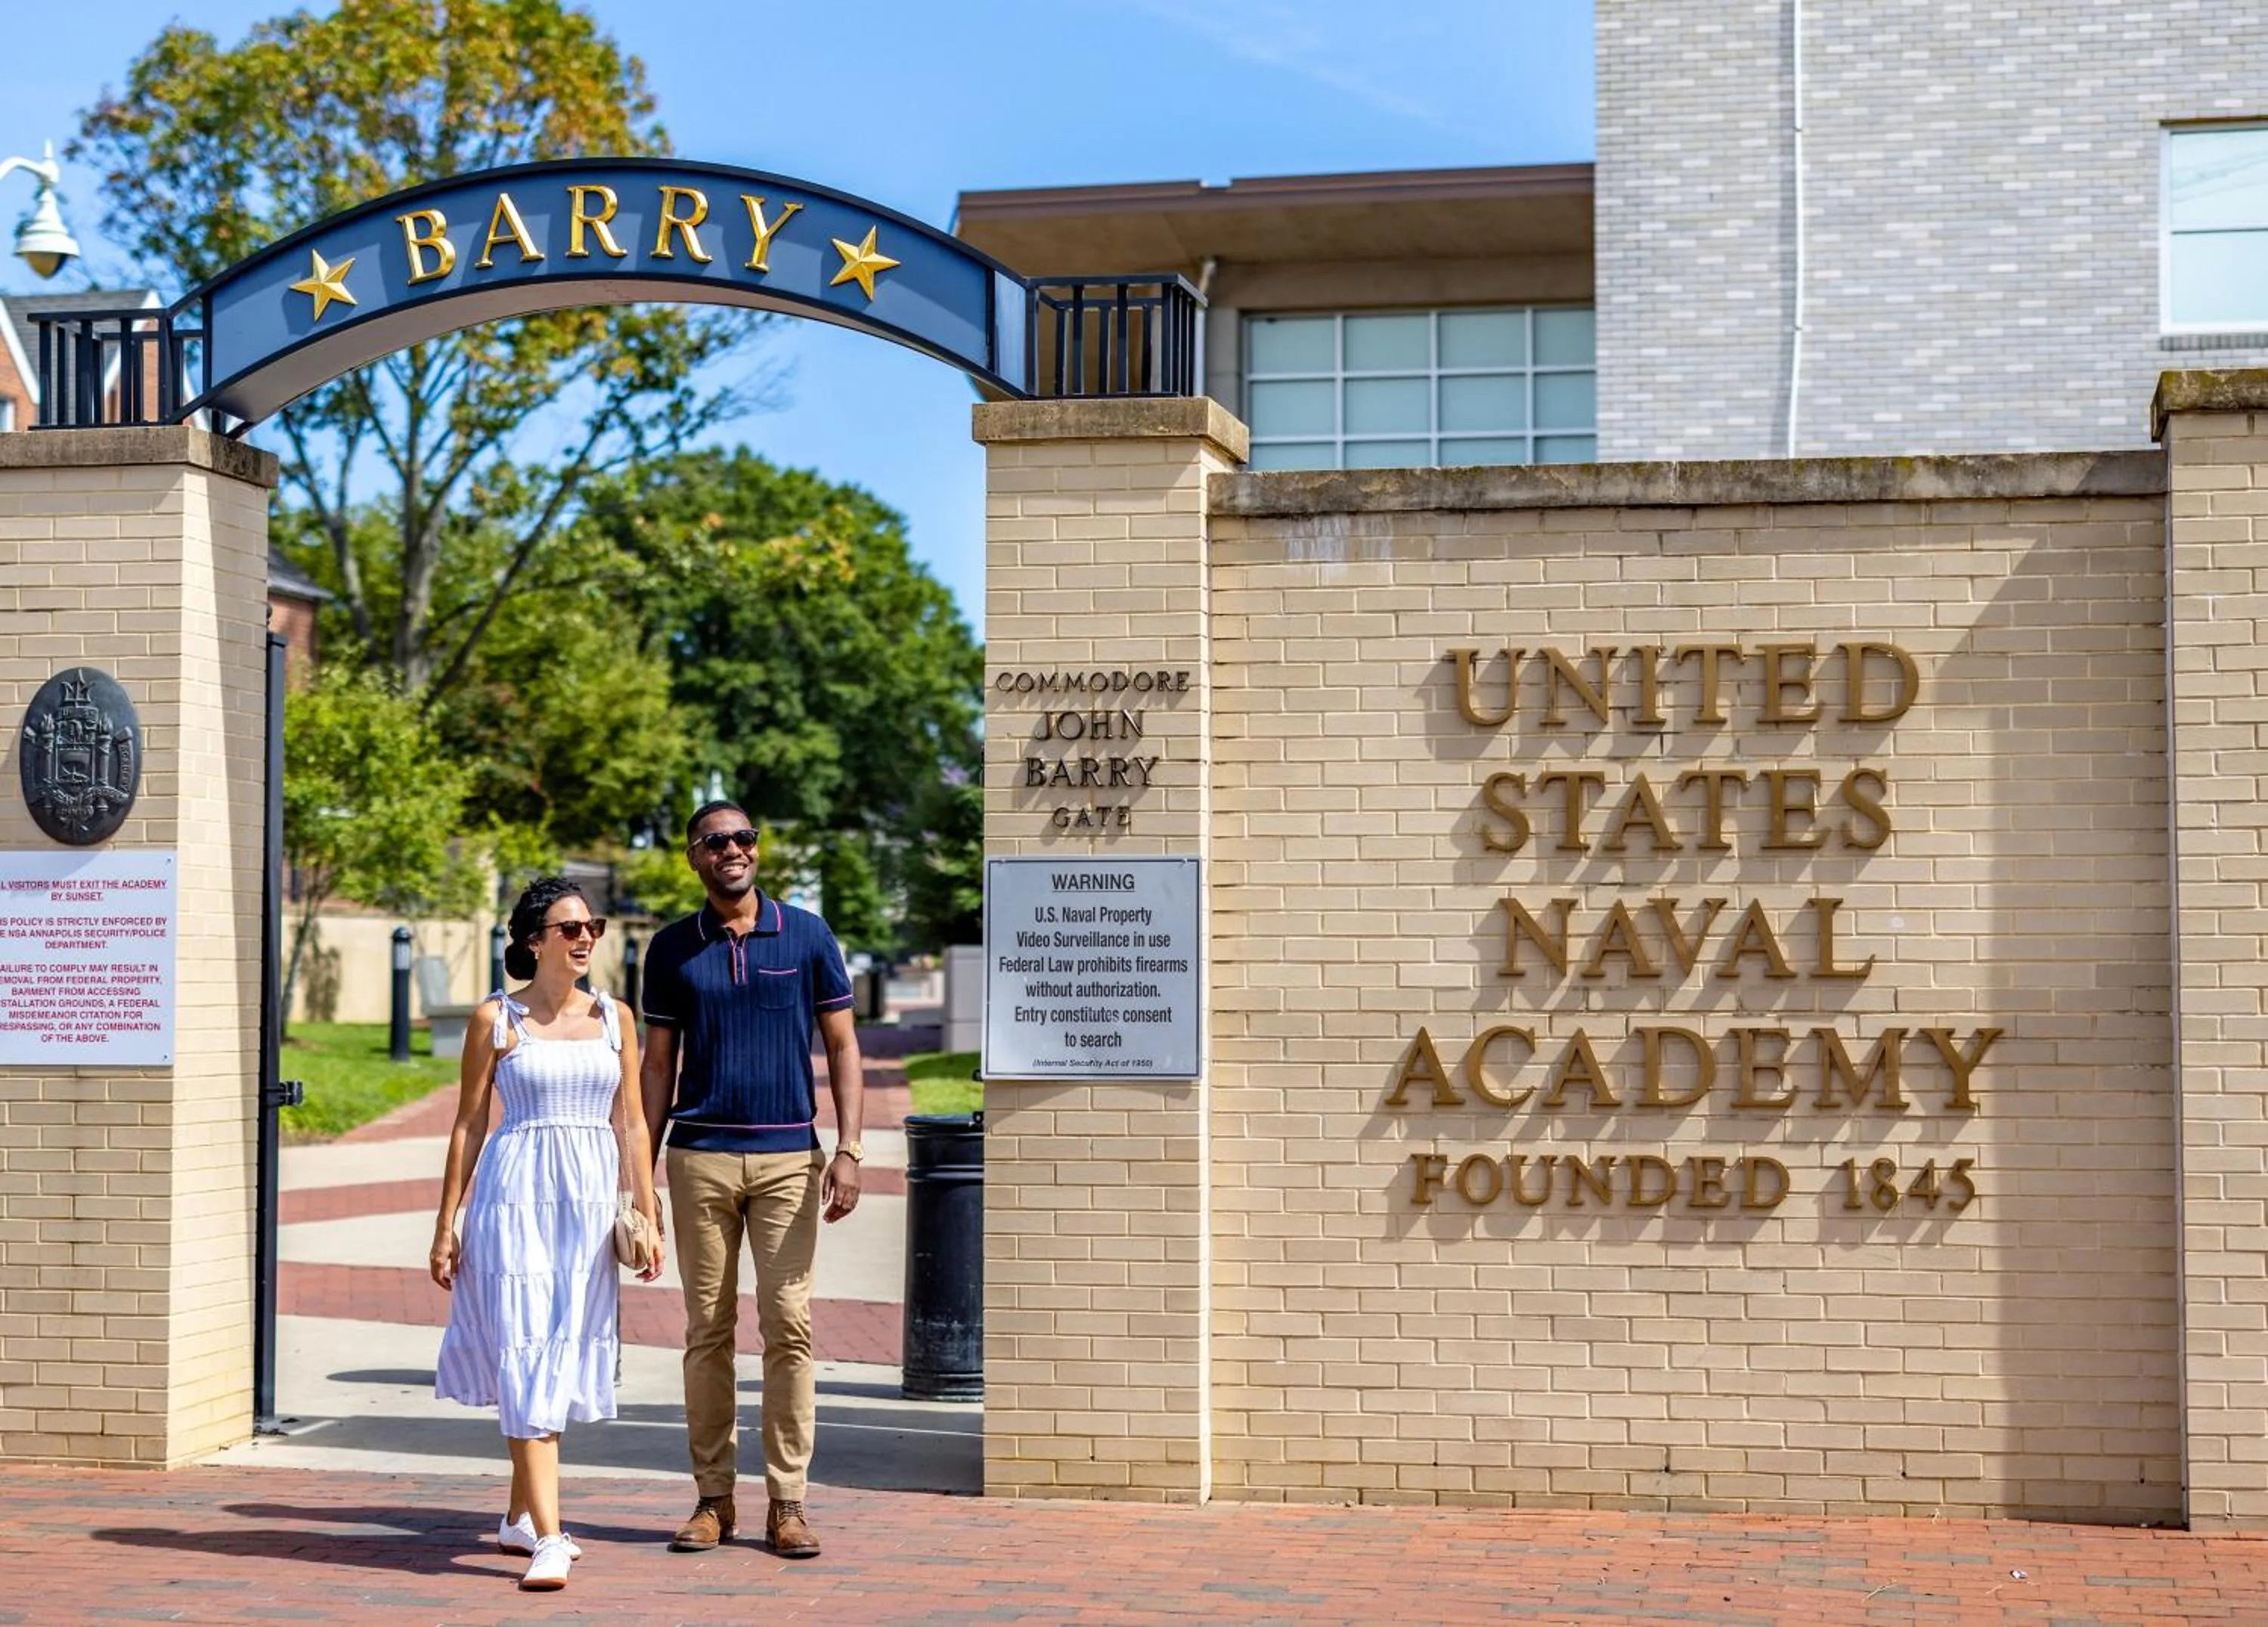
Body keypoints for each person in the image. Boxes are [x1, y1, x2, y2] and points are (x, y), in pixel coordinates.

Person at [640, 798, 866, 1559]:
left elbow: (842, 1044)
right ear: (695, 857)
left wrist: (851, 1147)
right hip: (698, 1156)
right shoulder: (671, 949)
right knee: (706, 1330)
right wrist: (641, 1168)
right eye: (714, 841)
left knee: (788, 1325)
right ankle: (712, 1499)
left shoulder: (805, 934)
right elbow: (657, 1065)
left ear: (758, 851)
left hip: (788, 1162)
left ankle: (788, 1503)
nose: (731, 849)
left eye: (742, 838)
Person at [429, 875, 662, 1591]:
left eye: (591, 924)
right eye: (570, 927)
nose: (586, 936)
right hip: (514, 1202)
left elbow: (632, 1120)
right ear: (535, 941)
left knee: (555, 1357)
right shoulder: (495, 1019)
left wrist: (647, 1212)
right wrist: (448, 1222)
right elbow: (469, 1124)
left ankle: (517, 1516)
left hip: (587, 1210)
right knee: (528, 1345)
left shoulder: (617, 1016)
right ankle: (551, 1537)